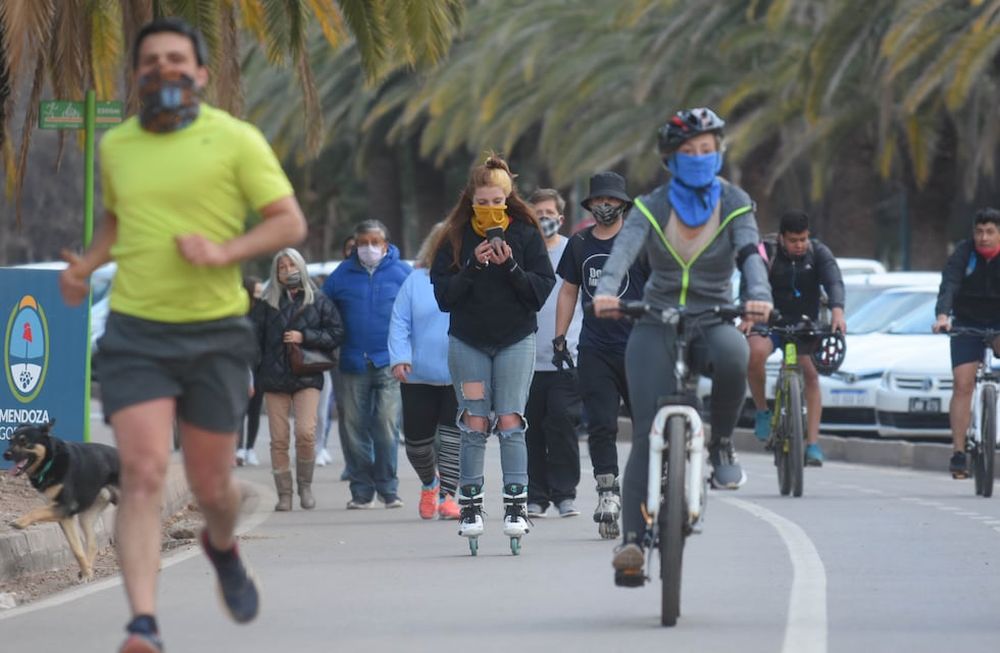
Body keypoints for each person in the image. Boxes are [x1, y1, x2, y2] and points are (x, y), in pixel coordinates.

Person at [57, 17, 307, 652]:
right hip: (137, 331)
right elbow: (119, 214)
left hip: (215, 333)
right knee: (140, 474)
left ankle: (220, 542)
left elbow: (287, 223)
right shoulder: (118, 146)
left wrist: (225, 251)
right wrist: (87, 264)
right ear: (137, 74)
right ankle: (143, 624)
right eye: (151, 61)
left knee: (210, 487)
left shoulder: (237, 140)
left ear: (199, 73)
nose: (163, 69)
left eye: (176, 59)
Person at [591, 107, 772, 585]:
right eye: (689, 151)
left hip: (713, 316)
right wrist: (606, 291)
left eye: (707, 150)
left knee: (736, 354)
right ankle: (631, 541)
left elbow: (751, 254)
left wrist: (758, 296)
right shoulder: (651, 206)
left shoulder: (736, 203)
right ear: (670, 158)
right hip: (656, 319)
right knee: (648, 431)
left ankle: (725, 445)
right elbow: (624, 249)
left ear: (719, 153)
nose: (699, 158)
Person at [430, 155, 556, 548]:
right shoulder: (453, 235)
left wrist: (511, 267)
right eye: (481, 203)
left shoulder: (525, 233)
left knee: (511, 420)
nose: (489, 210)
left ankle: (516, 503)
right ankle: (469, 503)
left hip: (515, 339)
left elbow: (539, 292)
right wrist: (472, 266)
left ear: (509, 199)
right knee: (474, 422)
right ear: (470, 200)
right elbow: (444, 298)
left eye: (496, 202)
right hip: (468, 340)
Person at [554, 172, 647, 538]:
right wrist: (560, 338)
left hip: (639, 347)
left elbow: (659, 286)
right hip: (596, 349)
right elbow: (568, 291)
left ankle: (653, 481)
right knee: (601, 423)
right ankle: (607, 491)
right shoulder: (578, 244)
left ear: (623, 204)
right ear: (591, 205)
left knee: (646, 422)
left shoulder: (639, 241)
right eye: (599, 201)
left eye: (612, 201)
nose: (605, 206)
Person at [323, 220, 412, 509]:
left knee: (386, 425)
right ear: (355, 245)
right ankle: (361, 491)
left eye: (375, 242)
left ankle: (388, 489)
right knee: (354, 428)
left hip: (390, 363)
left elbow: (417, 313)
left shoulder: (402, 274)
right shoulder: (340, 276)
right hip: (351, 363)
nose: (369, 248)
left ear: (386, 244)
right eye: (363, 243)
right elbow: (322, 312)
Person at [746, 210, 846, 466]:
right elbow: (750, 280)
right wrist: (749, 313)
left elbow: (834, 281)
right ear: (781, 238)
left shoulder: (819, 253)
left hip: (804, 325)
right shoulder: (765, 251)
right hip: (770, 323)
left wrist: (837, 310)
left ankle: (812, 444)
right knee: (754, 353)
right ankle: (762, 412)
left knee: (811, 376)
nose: (799, 245)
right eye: (793, 240)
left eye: (803, 239)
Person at [251, 249, 343, 511]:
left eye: (292, 265)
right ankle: (285, 494)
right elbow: (252, 340)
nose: (287, 270)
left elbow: (336, 333)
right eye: (282, 266)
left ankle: (305, 486)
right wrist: (259, 368)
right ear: (276, 272)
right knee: (279, 438)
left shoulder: (319, 300)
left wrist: (306, 337)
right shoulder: (266, 303)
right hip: (274, 379)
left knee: (306, 432)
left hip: (307, 375)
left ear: (301, 268)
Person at [389, 223, 462, 520]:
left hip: (459, 372)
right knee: (417, 444)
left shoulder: (472, 277)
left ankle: (448, 497)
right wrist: (400, 357)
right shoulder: (416, 280)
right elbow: (399, 321)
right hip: (418, 373)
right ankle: (429, 484)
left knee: (453, 439)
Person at [525, 188, 584, 518]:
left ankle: (565, 494)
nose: (543, 219)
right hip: (527, 359)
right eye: (538, 213)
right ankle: (536, 496)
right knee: (530, 427)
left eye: (549, 214)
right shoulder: (522, 251)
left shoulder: (573, 251)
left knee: (562, 421)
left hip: (567, 356)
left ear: (561, 219)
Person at [933, 208, 1000, 478]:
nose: (983, 237)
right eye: (979, 232)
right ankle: (959, 453)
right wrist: (942, 317)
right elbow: (949, 285)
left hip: (998, 323)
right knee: (963, 384)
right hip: (967, 323)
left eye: (990, 232)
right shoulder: (964, 253)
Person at [237, 276, 264, 467]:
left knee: (255, 410)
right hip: (241, 366)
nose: (260, 295)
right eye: (257, 291)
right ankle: (239, 448)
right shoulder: (239, 314)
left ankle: (250, 448)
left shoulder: (264, 311)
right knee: (240, 409)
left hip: (260, 366)